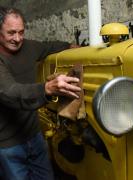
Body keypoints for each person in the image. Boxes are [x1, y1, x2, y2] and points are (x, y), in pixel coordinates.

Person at [0, 6, 81, 180]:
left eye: (21, 32)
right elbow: (10, 92)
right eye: (11, 33)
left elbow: (49, 46)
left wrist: (73, 47)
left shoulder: (28, 46)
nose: (18, 38)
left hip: (34, 136)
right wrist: (46, 88)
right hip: (7, 145)